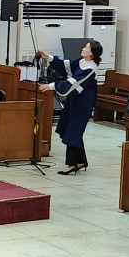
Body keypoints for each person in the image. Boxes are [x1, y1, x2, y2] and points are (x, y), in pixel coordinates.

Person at [37, 40, 101, 175]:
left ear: (92, 54)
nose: (83, 48)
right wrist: (47, 57)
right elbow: (67, 65)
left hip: (83, 104)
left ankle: (72, 164)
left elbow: (73, 83)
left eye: (86, 48)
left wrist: (51, 86)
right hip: (75, 100)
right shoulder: (82, 62)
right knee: (71, 129)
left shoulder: (90, 69)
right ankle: (81, 161)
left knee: (73, 131)